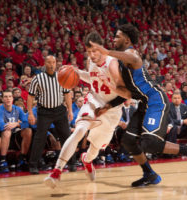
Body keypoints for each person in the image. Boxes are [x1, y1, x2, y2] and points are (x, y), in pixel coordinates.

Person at [90, 23, 187, 187]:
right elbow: (129, 92)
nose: (114, 39)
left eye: (117, 36)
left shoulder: (131, 54)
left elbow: (134, 59)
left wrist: (107, 52)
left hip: (156, 100)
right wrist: (108, 106)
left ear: (126, 39)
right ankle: (150, 174)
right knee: (128, 140)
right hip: (144, 103)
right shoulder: (120, 63)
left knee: (150, 143)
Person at [44, 32, 131, 189]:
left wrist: (108, 106)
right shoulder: (91, 62)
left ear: (102, 48)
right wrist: (77, 73)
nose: (91, 55)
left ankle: (87, 160)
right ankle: (56, 172)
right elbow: (92, 78)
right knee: (79, 131)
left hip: (111, 111)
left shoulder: (113, 65)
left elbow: (126, 95)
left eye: (94, 51)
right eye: (88, 52)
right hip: (93, 101)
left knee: (95, 148)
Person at [27, 55, 76, 174]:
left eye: (53, 62)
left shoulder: (61, 77)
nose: (51, 64)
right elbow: (30, 96)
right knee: (40, 138)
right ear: (45, 63)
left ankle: (72, 163)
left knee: (67, 137)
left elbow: (67, 94)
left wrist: (70, 110)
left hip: (60, 110)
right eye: (49, 62)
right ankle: (33, 165)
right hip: (44, 111)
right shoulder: (38, 78)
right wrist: (30, 113)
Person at [0, 89, 32, 172]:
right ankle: (3, 160)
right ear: (3, 99)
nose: (8, 98)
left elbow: (26, 122)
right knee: (7, 131)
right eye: (6, 97)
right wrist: (13, 124)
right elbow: (0, 126)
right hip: (2, 135)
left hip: (15, 133)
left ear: (12, 98)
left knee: (28, 131)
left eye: (10, 96)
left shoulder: (18, 109)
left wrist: (16, 124)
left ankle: (22, 158)